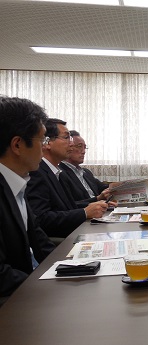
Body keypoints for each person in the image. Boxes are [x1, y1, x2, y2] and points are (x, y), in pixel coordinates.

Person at [0, 96, 55, 301]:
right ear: (17, 145)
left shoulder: (17, 183)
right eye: (42, 140)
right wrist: (45, 289)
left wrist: (70, 267)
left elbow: (40, 243)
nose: (44, 148)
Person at [26, 119, 108, 239]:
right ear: (47, 142)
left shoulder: (59, 173)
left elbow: (69, 208)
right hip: (64, 240)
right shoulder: (37, 172)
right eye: (66, 138)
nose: (71, 144)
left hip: (77, 232)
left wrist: (95, 205)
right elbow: (41, 219)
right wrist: (84, 212)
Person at [59, 130, 114, 207]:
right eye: (79, 146)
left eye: (85, 147)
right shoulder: (60, 173)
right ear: (69, 147)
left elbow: (102, 187)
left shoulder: (86, 172)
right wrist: (97, 199)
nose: (83, 151)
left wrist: (126, 186)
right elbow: (69, 205)